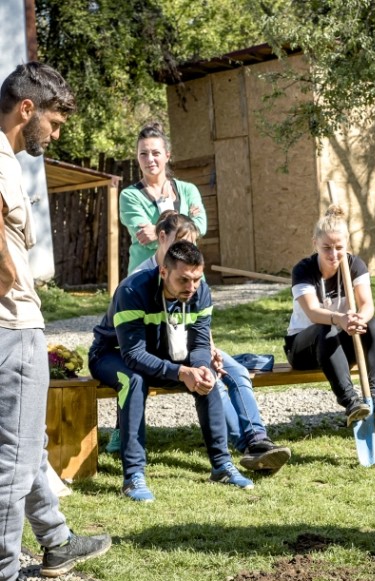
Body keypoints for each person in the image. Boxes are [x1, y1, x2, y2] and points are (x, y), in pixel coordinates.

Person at [0, 62, 111, 581]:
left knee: (26, 447)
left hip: (13, 325)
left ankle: (57, 541)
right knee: (14, 461)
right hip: (11, 329)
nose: (57, 134)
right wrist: (14, 284)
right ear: (28, 110)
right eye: (56, 122)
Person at [106, 210, 291, 473]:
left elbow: (198, 324)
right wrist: (193, 366)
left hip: (186, 345)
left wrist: (209, 351)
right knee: (211, 379)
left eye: (193, 244)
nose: (188, 249)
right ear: (162, 239)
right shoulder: (141, 279)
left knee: (234, 370)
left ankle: (258, 440)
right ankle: (244, 445)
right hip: (160, 352)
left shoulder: (192, 275)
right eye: (181, 242)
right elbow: (136, 345)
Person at [89, 240, 255, 502]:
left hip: (165, 356)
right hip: (113, 355)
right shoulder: (132, 290)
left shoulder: (201, 293)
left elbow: (200, 344)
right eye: (184, 280)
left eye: (197, 279)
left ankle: (221, 466)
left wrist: (199, 368)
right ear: (164, 272)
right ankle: (133, 476)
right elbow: (132, 355)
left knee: (206, 376)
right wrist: (180, 373)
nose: (191, 288)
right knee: (134, 381)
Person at [284, 204, 375, 426]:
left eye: (339, 247)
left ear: (346, 244)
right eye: (326, 247)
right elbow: (313, 312)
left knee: (373, 325)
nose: (333, 254)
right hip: (303, 348)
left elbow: (367, 305)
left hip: (337, 345)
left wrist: (359, 319)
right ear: (314, 243)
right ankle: (351, 402)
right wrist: (339, 319)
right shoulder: (304, 270)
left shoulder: (355, 265)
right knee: (325, 327)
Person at [119, 122, 207, 275]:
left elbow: (201, 226)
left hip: (188, 275)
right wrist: (186, 229)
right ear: (137, 158)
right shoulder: (130, 195)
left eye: (156, 153)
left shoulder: (188, 190)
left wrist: (157, 231)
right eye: (143, 154)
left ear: (167, 155)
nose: (149, 159)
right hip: (146, 277)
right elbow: (145, 237)